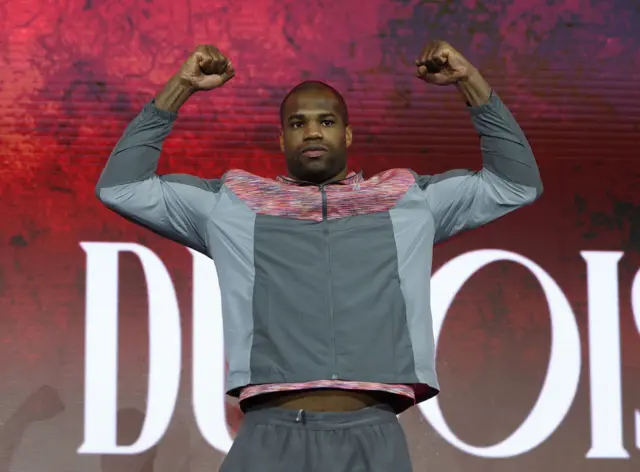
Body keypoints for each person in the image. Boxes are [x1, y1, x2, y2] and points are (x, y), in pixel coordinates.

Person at [96, 40, 543, 471]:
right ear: (282, 138)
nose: (312, 130)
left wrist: (471, 82)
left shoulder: (406, 198)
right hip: (269, 437)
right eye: (297, 123)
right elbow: (122, 187)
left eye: (326, 121)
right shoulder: (232, 203)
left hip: (372, 434)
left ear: (346, 132)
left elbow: (515, 183)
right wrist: (181, 86)